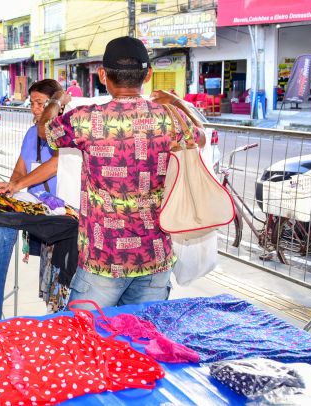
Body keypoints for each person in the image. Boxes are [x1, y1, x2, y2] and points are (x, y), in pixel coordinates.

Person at [13, 36, 205, 309]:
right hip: (154, 257)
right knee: (140, 345)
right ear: (148, 75)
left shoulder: (86, 119)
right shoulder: (168, 116)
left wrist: (56, 100)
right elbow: (200, 139)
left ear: (102, 75)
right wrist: (176, 102)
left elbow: (46, 130)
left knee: (87, 342)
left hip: (104, 260)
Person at [0, 79, 61, 321]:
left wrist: (19, 184)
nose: (35, 109)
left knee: (61, 291)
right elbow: (19, 170)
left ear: (55, 105)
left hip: (60, 215)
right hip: (29, 205)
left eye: (41, 103)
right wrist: (10, 188)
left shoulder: (64, 133)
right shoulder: (31, 133)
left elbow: (55, 164)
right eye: (32, 103)